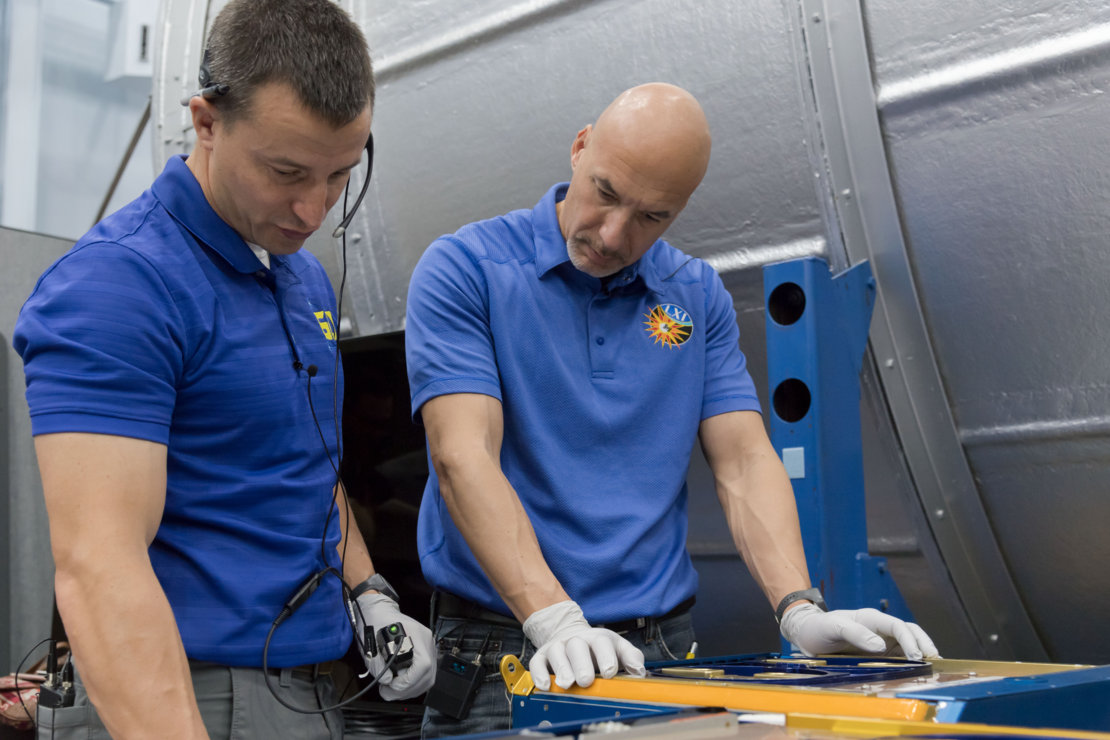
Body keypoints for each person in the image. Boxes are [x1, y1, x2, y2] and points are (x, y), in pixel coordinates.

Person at [404, 83, 939, 737]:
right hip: (505, 658)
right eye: (605, 192)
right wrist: (553, 618)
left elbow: (743, 458)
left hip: (659, 659)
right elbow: (462, 457)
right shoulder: (466, 270)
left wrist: (799, 608)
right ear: (579, 149)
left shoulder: (694, 296)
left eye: (652, 218)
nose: (613, 235)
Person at [13, 1, 435, 737]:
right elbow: (98, 565)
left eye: (340, 174)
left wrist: (368, 591)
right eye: (286, 171)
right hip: (183, 691)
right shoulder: (117, 286)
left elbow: (301, 464)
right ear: (205, 121)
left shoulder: (296, 278)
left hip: (311, 691)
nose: (312, 209)